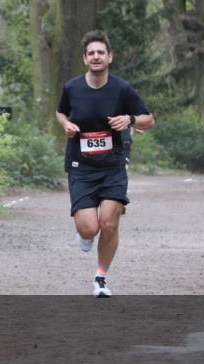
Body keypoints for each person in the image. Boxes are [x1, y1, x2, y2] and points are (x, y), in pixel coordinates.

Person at [55, 30, 153, 297]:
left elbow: (148, 119)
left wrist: (129, 120)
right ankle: (85, 235)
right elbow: (60, 112)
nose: (96, 57)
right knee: (90, 227)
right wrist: (67, 125)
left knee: (109, 223)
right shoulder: (72, 88)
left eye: (101, 52)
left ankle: (101, 278)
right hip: (81, 166)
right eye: (91, 53)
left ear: (110, 57)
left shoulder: (122, 89)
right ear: (85, 59)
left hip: (112, 167)